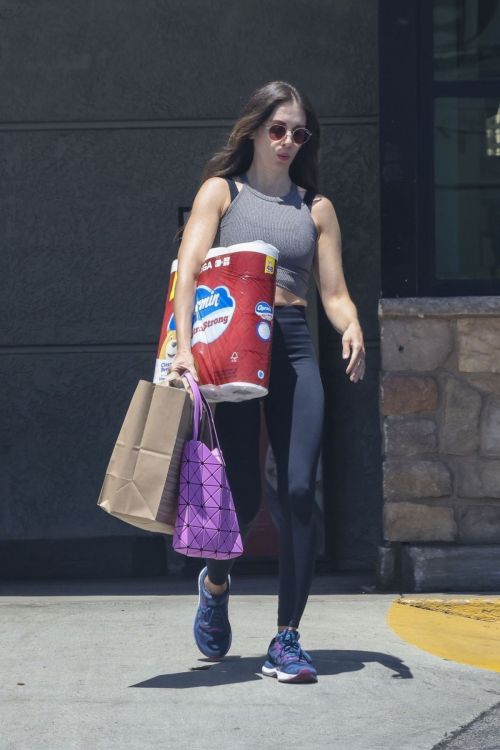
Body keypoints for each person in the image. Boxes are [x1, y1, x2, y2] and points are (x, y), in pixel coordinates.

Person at [169, 81, 365, 684]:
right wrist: (182, 350)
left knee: (300, 491)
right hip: (231, 351)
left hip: (297, 348)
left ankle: (287, 639)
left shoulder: (316, 208)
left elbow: (331, 292)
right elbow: (190, 273)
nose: (287, 142)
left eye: (298, 133)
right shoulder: (220, 193)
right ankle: (217, 581)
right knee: (245, 497)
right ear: (254, 130)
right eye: (277, 129)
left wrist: (352, 323)